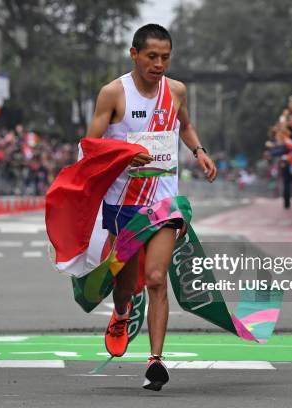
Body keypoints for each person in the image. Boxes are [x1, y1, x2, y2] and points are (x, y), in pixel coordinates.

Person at [86, 24, 217, 391]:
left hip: (163, 201)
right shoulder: (113, 93)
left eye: (165, 57)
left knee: (157, 278)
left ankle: (155, 361)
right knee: (126, 283)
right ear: (134, 54)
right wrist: (123, 156)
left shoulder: (176, 91)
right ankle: (123, 311)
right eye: (151, 57)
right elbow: (90, 147)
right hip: (123, 203)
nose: (159, 64)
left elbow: (185, 125)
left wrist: (199, 151)